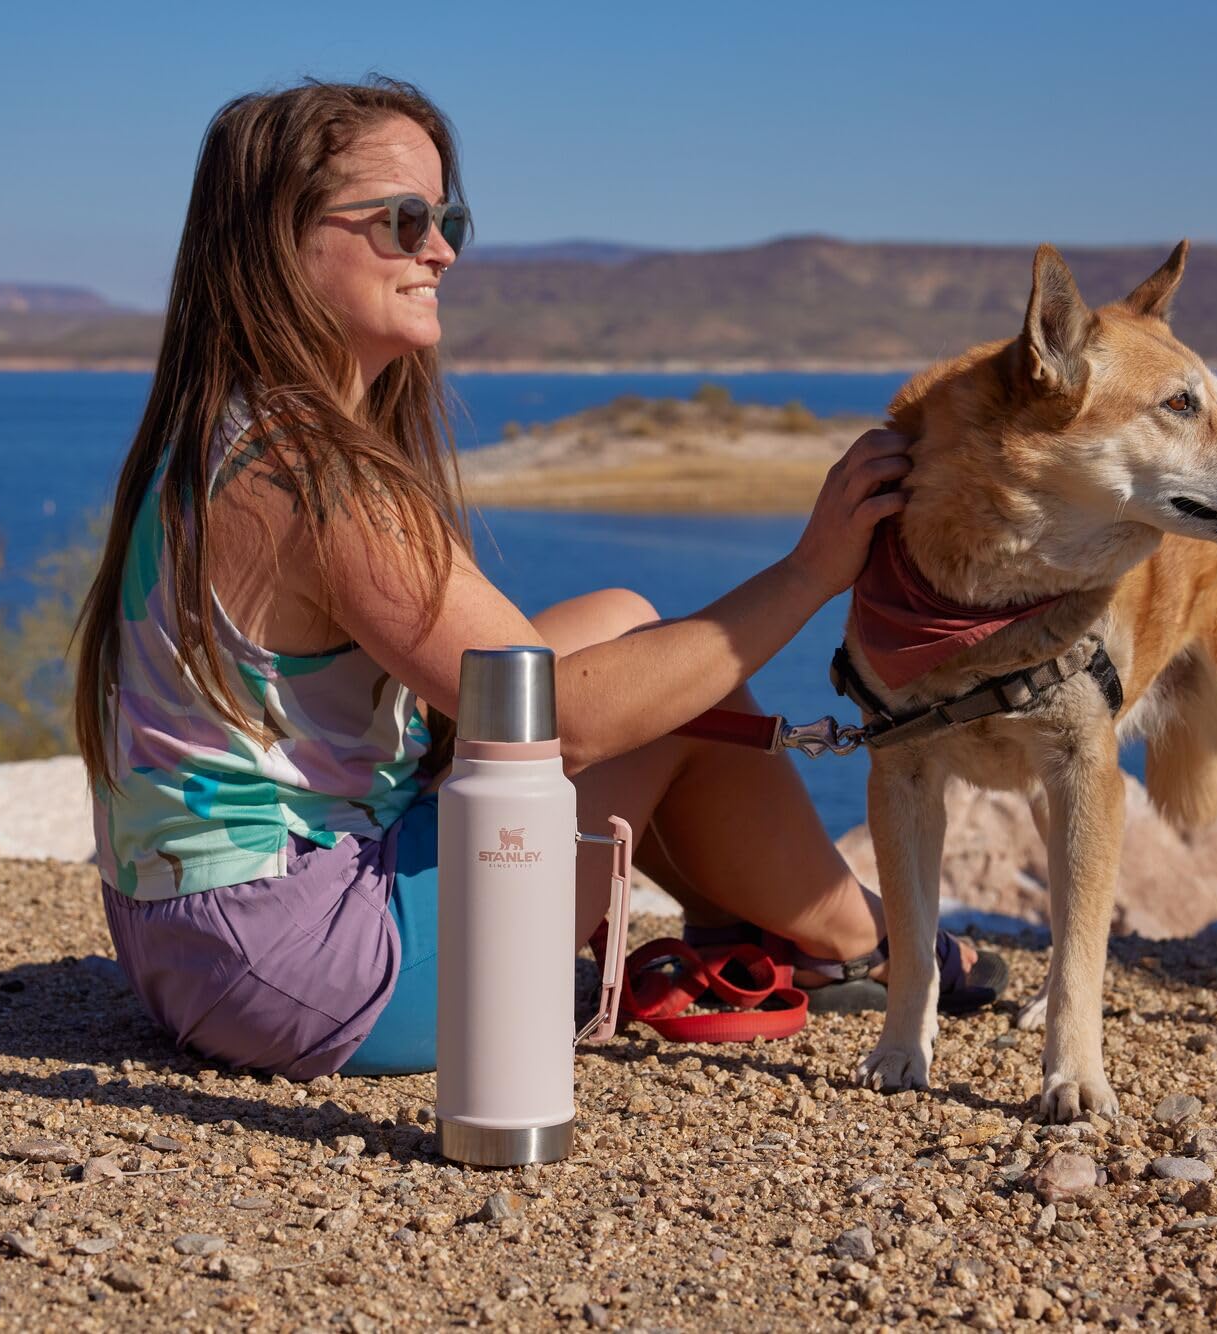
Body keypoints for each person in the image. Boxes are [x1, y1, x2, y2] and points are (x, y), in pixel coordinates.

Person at [72, 78, 1004, 1080]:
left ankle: (757, 924)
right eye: (402, 221)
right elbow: (555, 717)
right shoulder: (314, 475)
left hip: (195, 939)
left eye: (447, 220)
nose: (441, 251)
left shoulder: (232, 430)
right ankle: (850, 939)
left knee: (625, 619)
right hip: (316, 971)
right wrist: (812, 569)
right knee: (655, 697)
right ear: (276, 241)